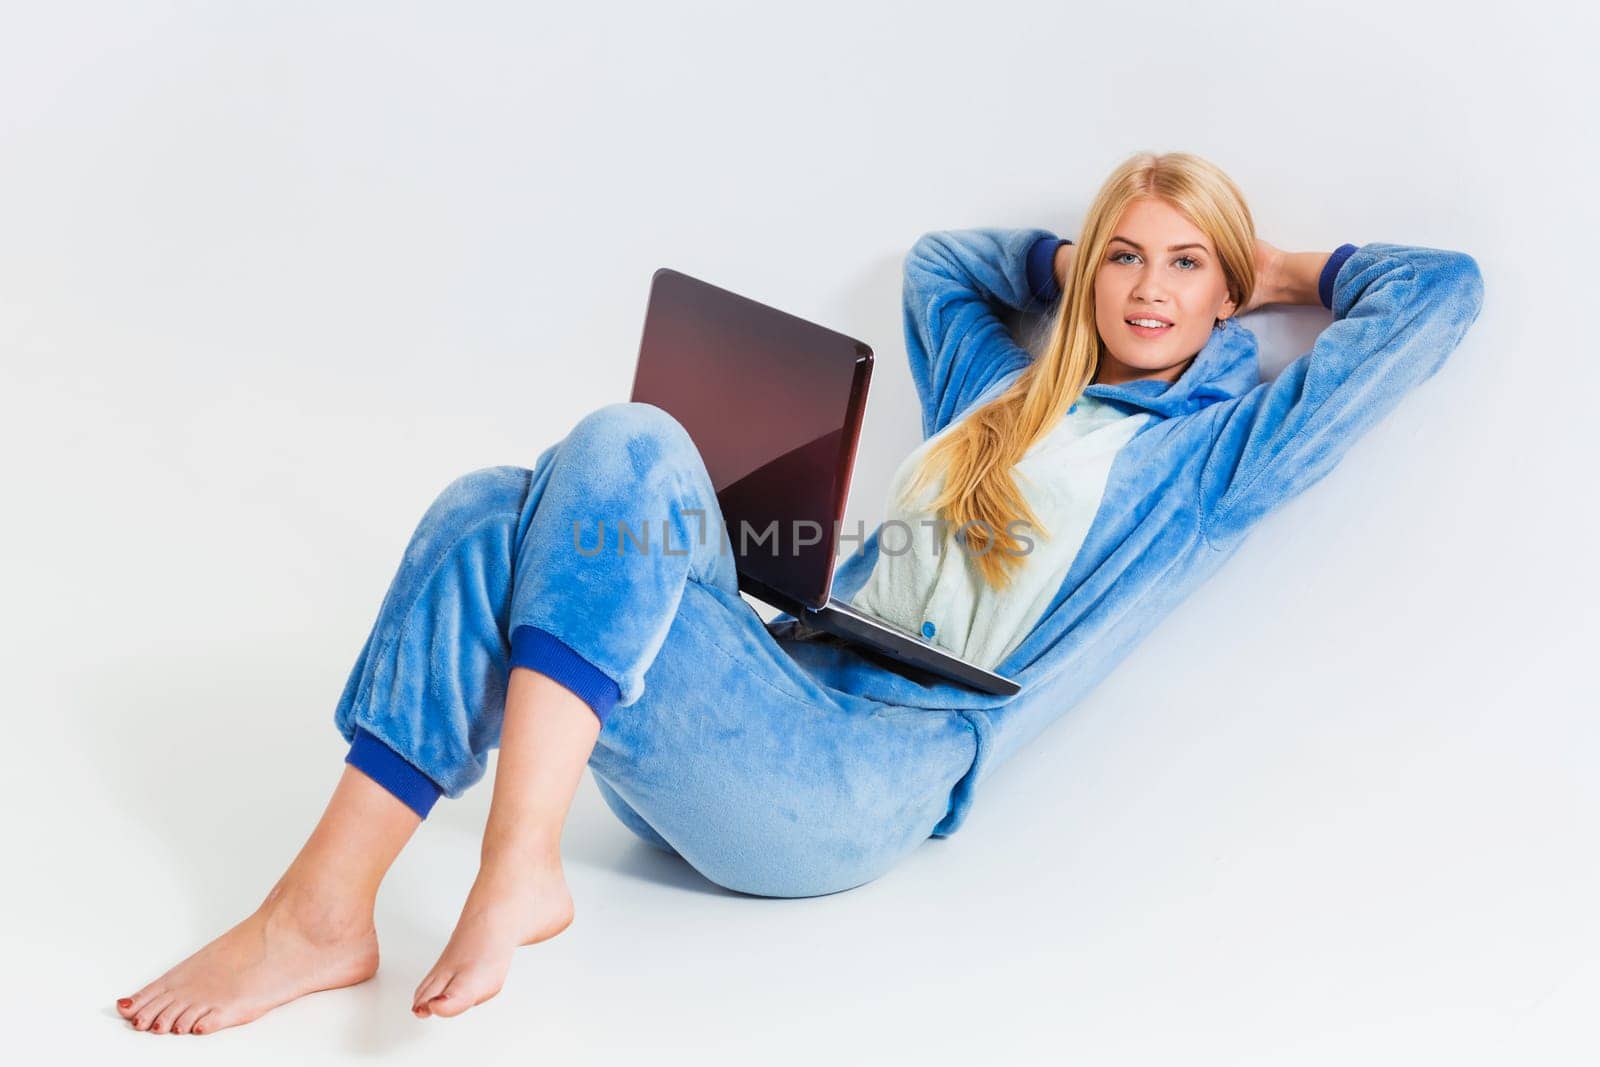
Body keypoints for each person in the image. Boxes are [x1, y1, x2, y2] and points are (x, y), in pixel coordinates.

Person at [114, 151, 1484, 1035]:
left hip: (857, 781)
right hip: (773, 687)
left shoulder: (1217, 463)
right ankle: (323, 913)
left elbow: (1440, 296)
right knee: (505, 491)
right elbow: (947, 263)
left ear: (1224, 288)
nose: (1150, 284)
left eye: (1187, 265)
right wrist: (1080, 263)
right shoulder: (996, 400)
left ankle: (513, 859)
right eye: (1126, 253)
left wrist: (1272, 273)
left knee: (630, 449)